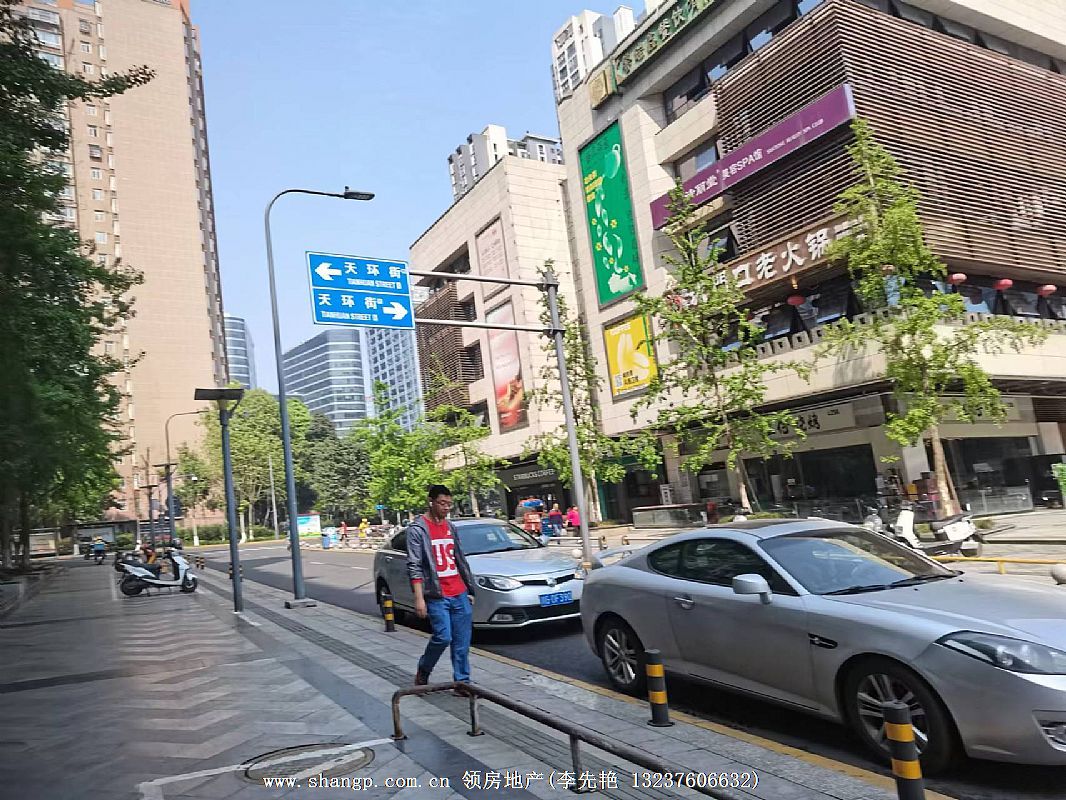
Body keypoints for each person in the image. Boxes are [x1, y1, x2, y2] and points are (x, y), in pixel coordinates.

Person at [406, 485, 476, 686]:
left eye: (449, 504)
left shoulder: (450, 527)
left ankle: (462, 682)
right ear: (431, 502)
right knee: (443, 637)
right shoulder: (418, 529)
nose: (446, 508)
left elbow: (459, 559)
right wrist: (419, 598)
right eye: (442, 503)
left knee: (462, 641)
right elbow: (414, 565)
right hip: (437, 594)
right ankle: (424, 668)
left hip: (459, 591)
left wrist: (469, 589)